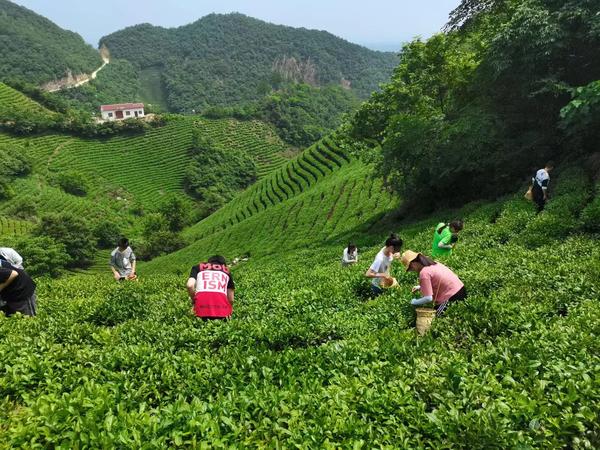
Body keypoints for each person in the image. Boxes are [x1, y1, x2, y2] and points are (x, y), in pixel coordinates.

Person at [401, 250, 466, 317]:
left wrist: (414, 302)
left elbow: (428, 298)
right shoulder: (434, 263)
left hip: (452, 296)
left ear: (413, 263)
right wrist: (420, 287)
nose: (412, 270)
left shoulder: (424, 273)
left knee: (435, 319)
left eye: (410, 268)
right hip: (461, 289)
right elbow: (437, 280)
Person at [186, 255, 235, 319]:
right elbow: (231, 299)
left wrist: (194, 302)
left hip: (200, 312)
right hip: (222, 313)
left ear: (209, 262)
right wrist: (229, 310)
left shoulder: (197, 267)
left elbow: (190, 285)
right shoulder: (226, 271)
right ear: (223, 264)